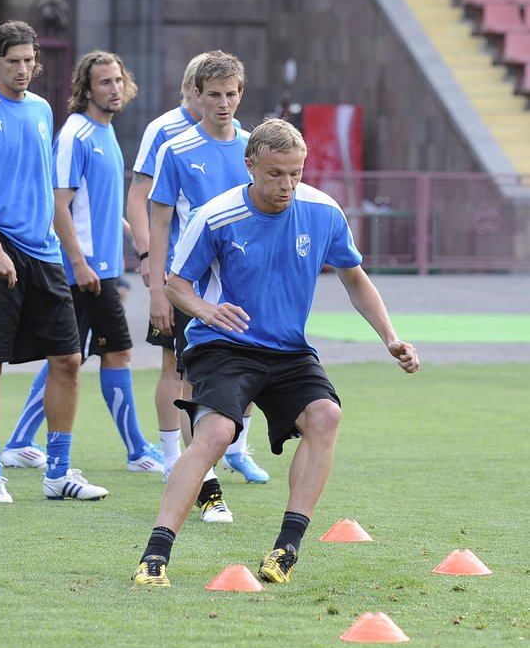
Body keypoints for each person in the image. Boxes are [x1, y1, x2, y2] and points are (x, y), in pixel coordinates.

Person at [132, 118, 419, 587]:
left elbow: (354, 278)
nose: (287, 184)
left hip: (287, 349)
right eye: (275, 174)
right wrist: (207, 310)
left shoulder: (324, 211)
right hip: (224, 344)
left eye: (296, 173)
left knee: (326, 416)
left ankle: (285, 550)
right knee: (218, 433)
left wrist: (390, 338)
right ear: (250, 166)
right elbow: (177, 285)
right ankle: (155, 555)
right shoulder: (216, 215)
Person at [0, 20, 109, 503]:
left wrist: (61, 246)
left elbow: (41, 186)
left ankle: (58, 474)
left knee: (69, 359)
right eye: (11, 61)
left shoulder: (40, 110)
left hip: (43, 251)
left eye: (28, 61)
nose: (21, 70)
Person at [0, 50, 164, 474]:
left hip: (103, 267)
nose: (114, 89)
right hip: (85, 271)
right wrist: (78, 263)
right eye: (104, 82)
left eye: (118, 81)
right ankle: (137, 451)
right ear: (86, 89)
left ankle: (21, 440)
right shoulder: (76, 134)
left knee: (76, 356)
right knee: (107, 354)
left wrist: (134, 236)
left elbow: (101, 205)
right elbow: (59, 205)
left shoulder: (106, 133)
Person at [127, 53, 259, 510]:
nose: (224, 103)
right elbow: (159, 222)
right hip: (191, 287)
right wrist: (158, 291)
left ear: (241, 94)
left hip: (243, 288)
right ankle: (205, 488)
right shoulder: (176, 149)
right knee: (188, 381)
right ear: (197, 95)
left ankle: (228, 457)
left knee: (243, 381)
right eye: (215, 94)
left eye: (232, 94)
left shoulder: (252, 149)